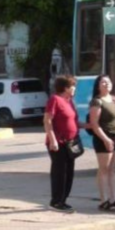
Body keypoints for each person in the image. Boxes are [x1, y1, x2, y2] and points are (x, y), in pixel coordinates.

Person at [88, 75, 115, 212]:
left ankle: (114, 199)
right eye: (103, 82)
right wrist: (105, 139)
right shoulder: (97, 102)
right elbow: (94, 124)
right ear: (98, 86)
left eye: (108, 82)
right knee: (104, 169)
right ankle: (104, 201)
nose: (107, 84)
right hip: (104, 138)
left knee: (113, 170)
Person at [43, 76, 81, 213]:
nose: (74, 88)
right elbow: (47, 120)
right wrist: (52, 139)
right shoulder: (55, 99)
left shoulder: (69, 102)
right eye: (72, 86)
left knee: (69, 172)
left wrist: (91, 125)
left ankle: (63, 200)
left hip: (71, 143)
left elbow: (73, 122)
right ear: (65, 88)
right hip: (59, 143)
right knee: (60, 173)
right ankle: (56, 201)